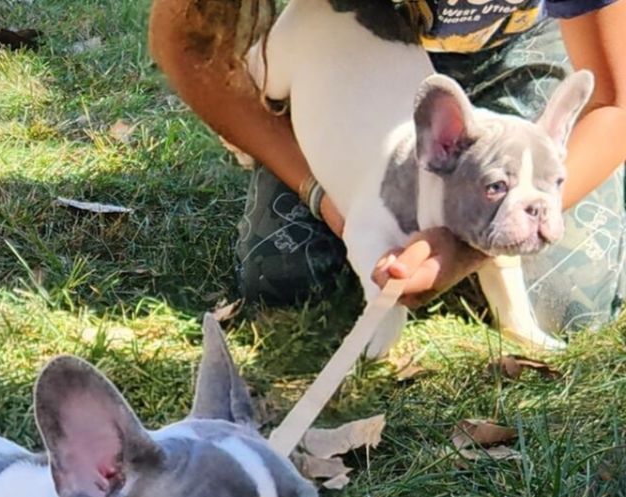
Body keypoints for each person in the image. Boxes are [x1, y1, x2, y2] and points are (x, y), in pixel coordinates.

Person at [149, 0, 626, 332]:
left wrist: (467, 243)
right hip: (353, 61)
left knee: (568, 304)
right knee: (285, 280)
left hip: (516, 49)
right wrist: (320, 190)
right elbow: (189, 45)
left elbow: (614, 101)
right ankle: (301, 108)